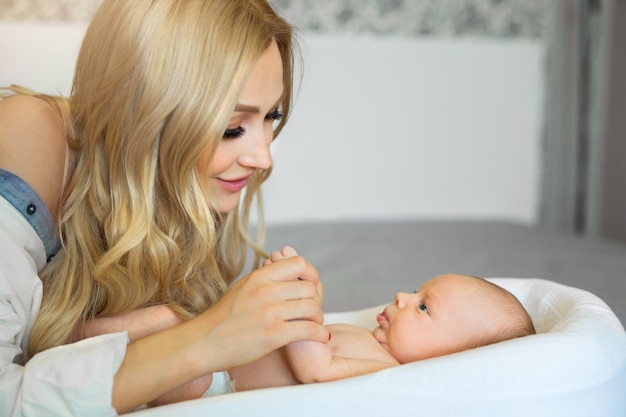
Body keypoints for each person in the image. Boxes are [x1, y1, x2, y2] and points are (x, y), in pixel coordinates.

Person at [0, 1, 330, 415]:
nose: (263, 159)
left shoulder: (173, 193)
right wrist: (204, 340)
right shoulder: (28, 136)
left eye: (271, 115)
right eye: (232, 128)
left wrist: (161, 333)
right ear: (146, 111)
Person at [229, 246, 536, 388]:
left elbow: (316, 371)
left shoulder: (385, 371)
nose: (402, 296)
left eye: (423, 307)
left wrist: (296, 309)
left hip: (217, 382)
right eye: (417, 292)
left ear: (447, 359)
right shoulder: (368, 341)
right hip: (226, 351)